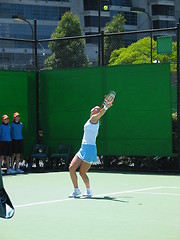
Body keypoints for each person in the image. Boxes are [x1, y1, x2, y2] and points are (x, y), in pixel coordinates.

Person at [69, 100, 113, 198]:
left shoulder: (94, 119)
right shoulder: (91, 122)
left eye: (97, 109)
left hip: (89, 149)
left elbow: (101, 113)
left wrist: (106, 107)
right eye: (95, 108)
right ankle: (76, 190)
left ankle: (89, 190)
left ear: (96, 113)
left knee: (82, 173)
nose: (95, 108)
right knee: (72, 168)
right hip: (83, 148)